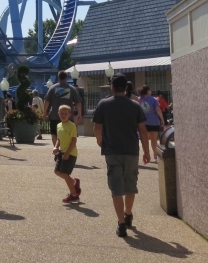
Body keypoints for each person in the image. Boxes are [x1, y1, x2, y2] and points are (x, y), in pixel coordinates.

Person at [93, 74, 151, 238]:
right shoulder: (135, 106)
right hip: (131, 151)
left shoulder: (104, 104)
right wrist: (146, 151)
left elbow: (97, 126)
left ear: (112, 87)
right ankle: (128, 213)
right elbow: (143, 130)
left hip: (112, 151)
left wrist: (100, 140)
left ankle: (121, 223)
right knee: (130, 184)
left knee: (116, 188)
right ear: (126, 88)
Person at [52, 104, 81, 203]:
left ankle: (74, 195)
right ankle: (74, 182)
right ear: (58, 114)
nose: (63, 115)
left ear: (69, 115)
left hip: (71, 153)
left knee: (64, 173)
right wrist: (56, 147)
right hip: (61, 152)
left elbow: (74, 141)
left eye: (65, 113)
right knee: (57, 172)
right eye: (61, 113)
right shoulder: (59, 125)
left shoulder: (71, 125)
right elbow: (59, 139)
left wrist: (68, 153)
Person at [138, 85, 165, 160]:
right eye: (150, 90)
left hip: (143, 123)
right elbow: (158, 109)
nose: (151, 91)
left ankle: (146, 153)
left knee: (145, 139)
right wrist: (162, 119)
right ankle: (155, 154)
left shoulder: (139, 99)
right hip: (153, 122)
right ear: (147, 91)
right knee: (154, 139)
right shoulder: (153, 99)